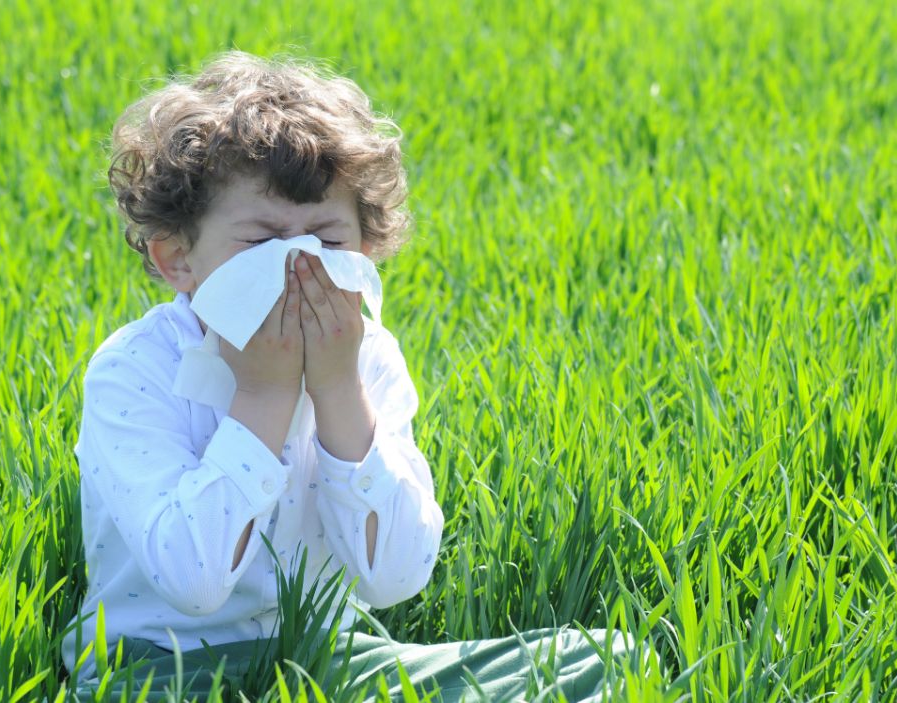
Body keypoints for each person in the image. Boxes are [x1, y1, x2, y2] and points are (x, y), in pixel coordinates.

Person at [60, 49, 633, 702]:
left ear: (364, 251)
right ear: (178, 259)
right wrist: (265, 393)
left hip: (324, 657)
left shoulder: (366, 359)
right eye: (262, 242)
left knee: (605, 659)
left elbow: (394, 576)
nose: (300, 263)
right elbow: (193, 580)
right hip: (159, 666)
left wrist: (337, 391)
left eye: (328, 243)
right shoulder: (134, 370)